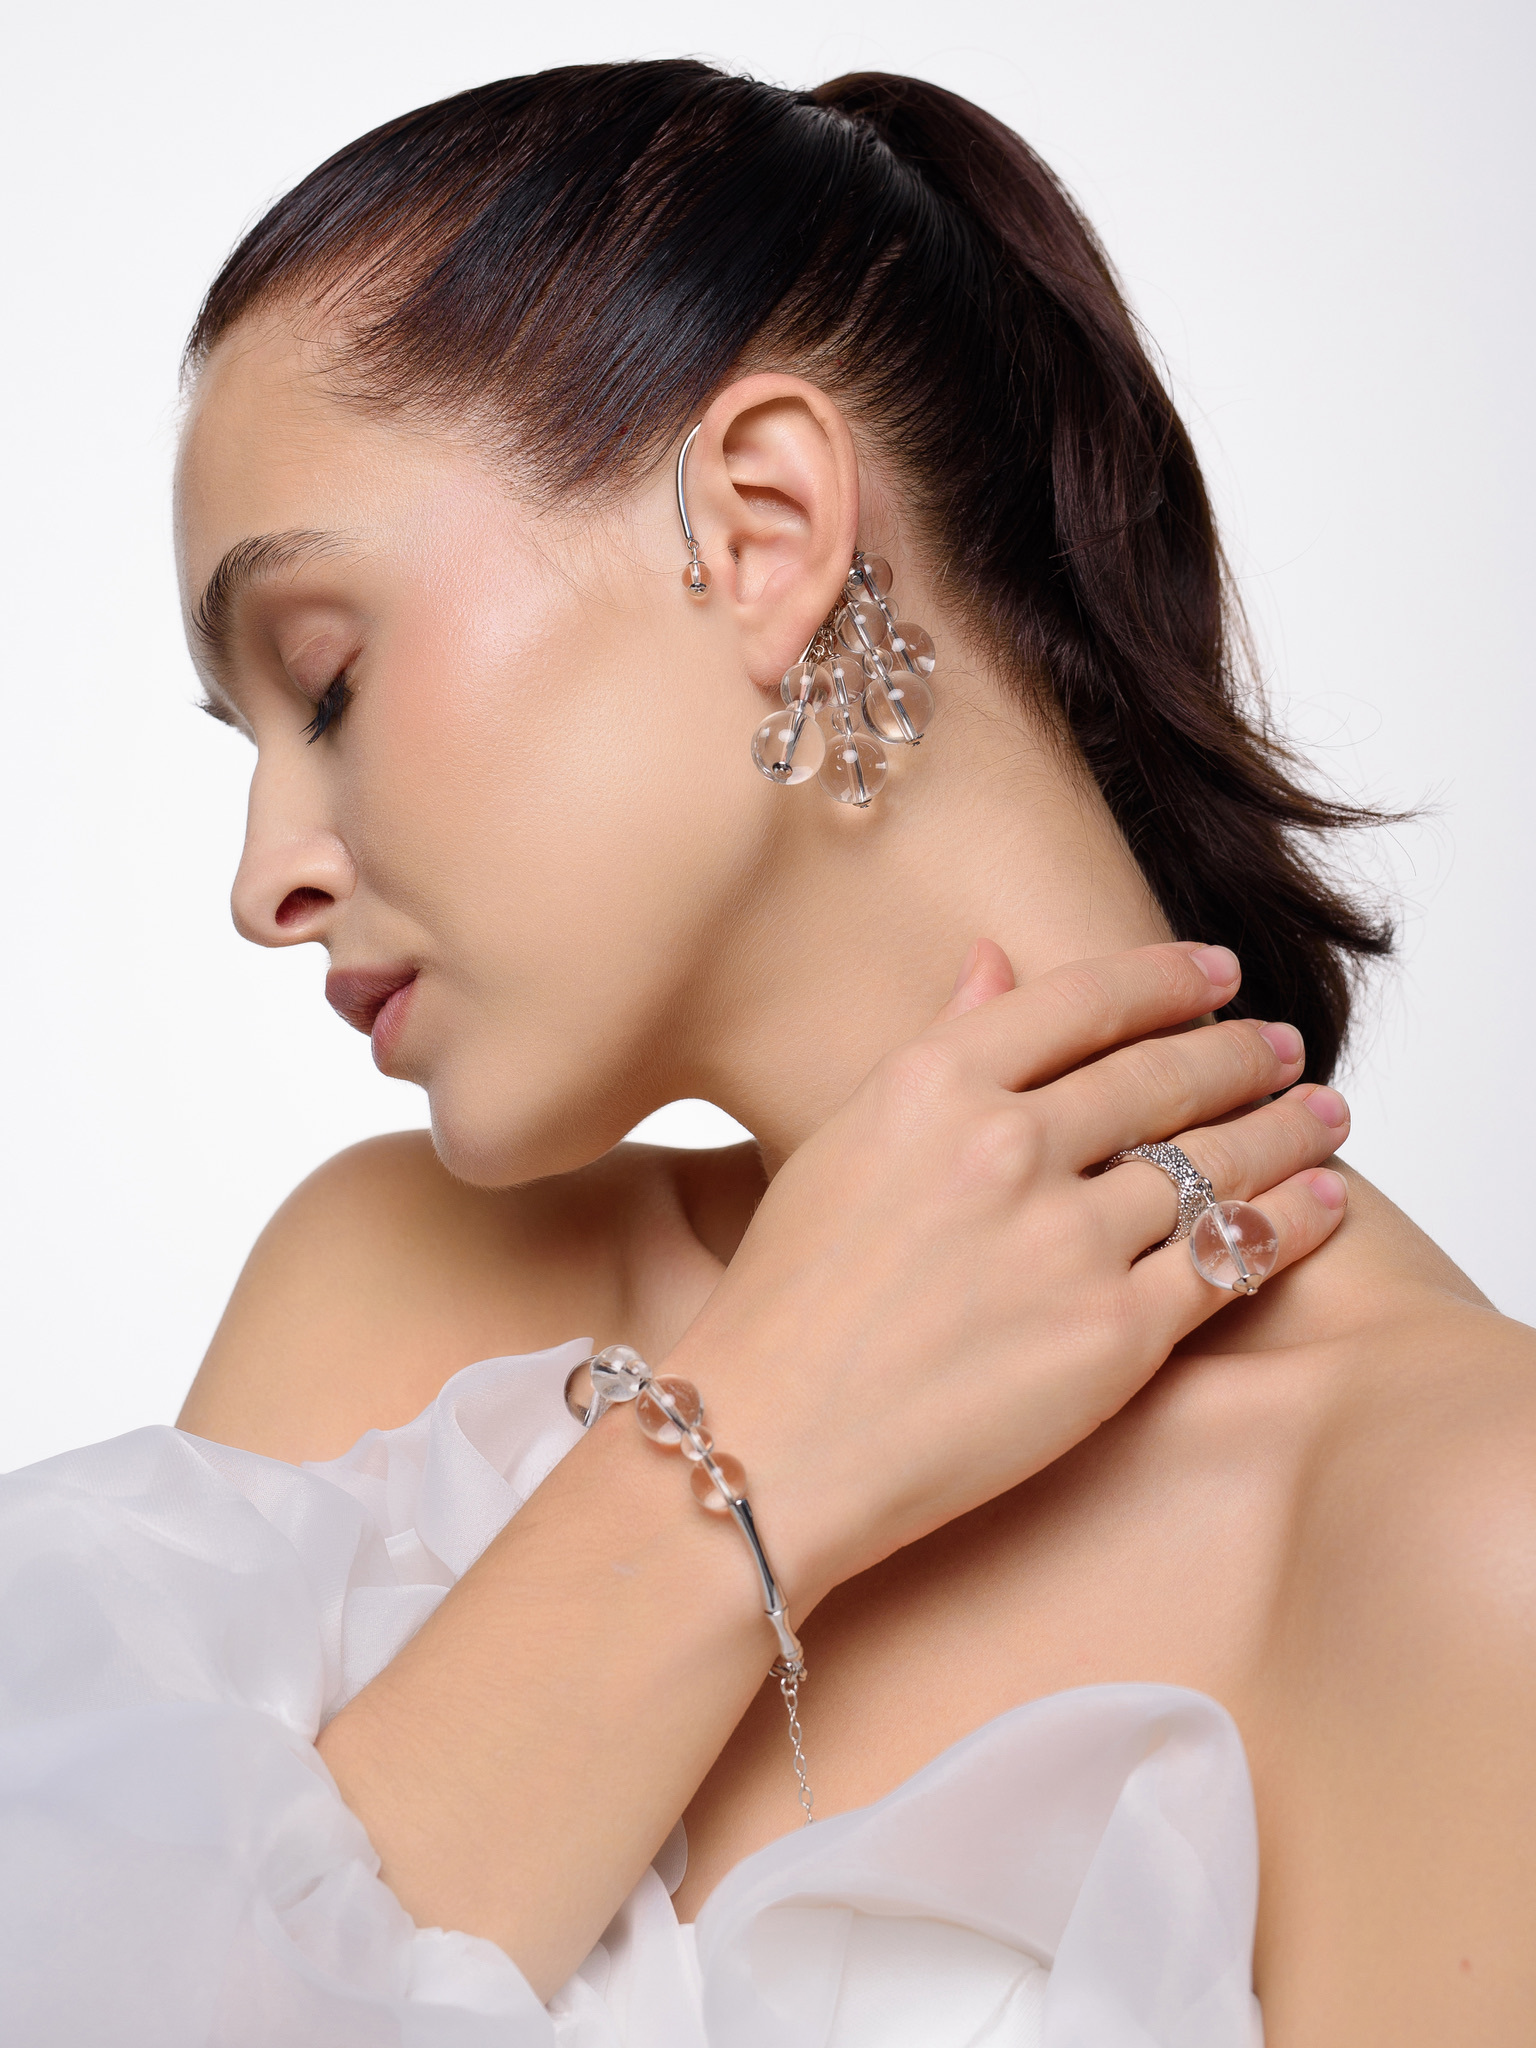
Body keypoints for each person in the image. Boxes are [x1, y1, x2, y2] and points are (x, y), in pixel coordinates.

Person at [2, 59, 1532, 2047]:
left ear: (763, 525)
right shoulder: (385, 1297)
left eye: (330, 680)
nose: (263, 881)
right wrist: (757, 1448)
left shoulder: (1460, 1539)